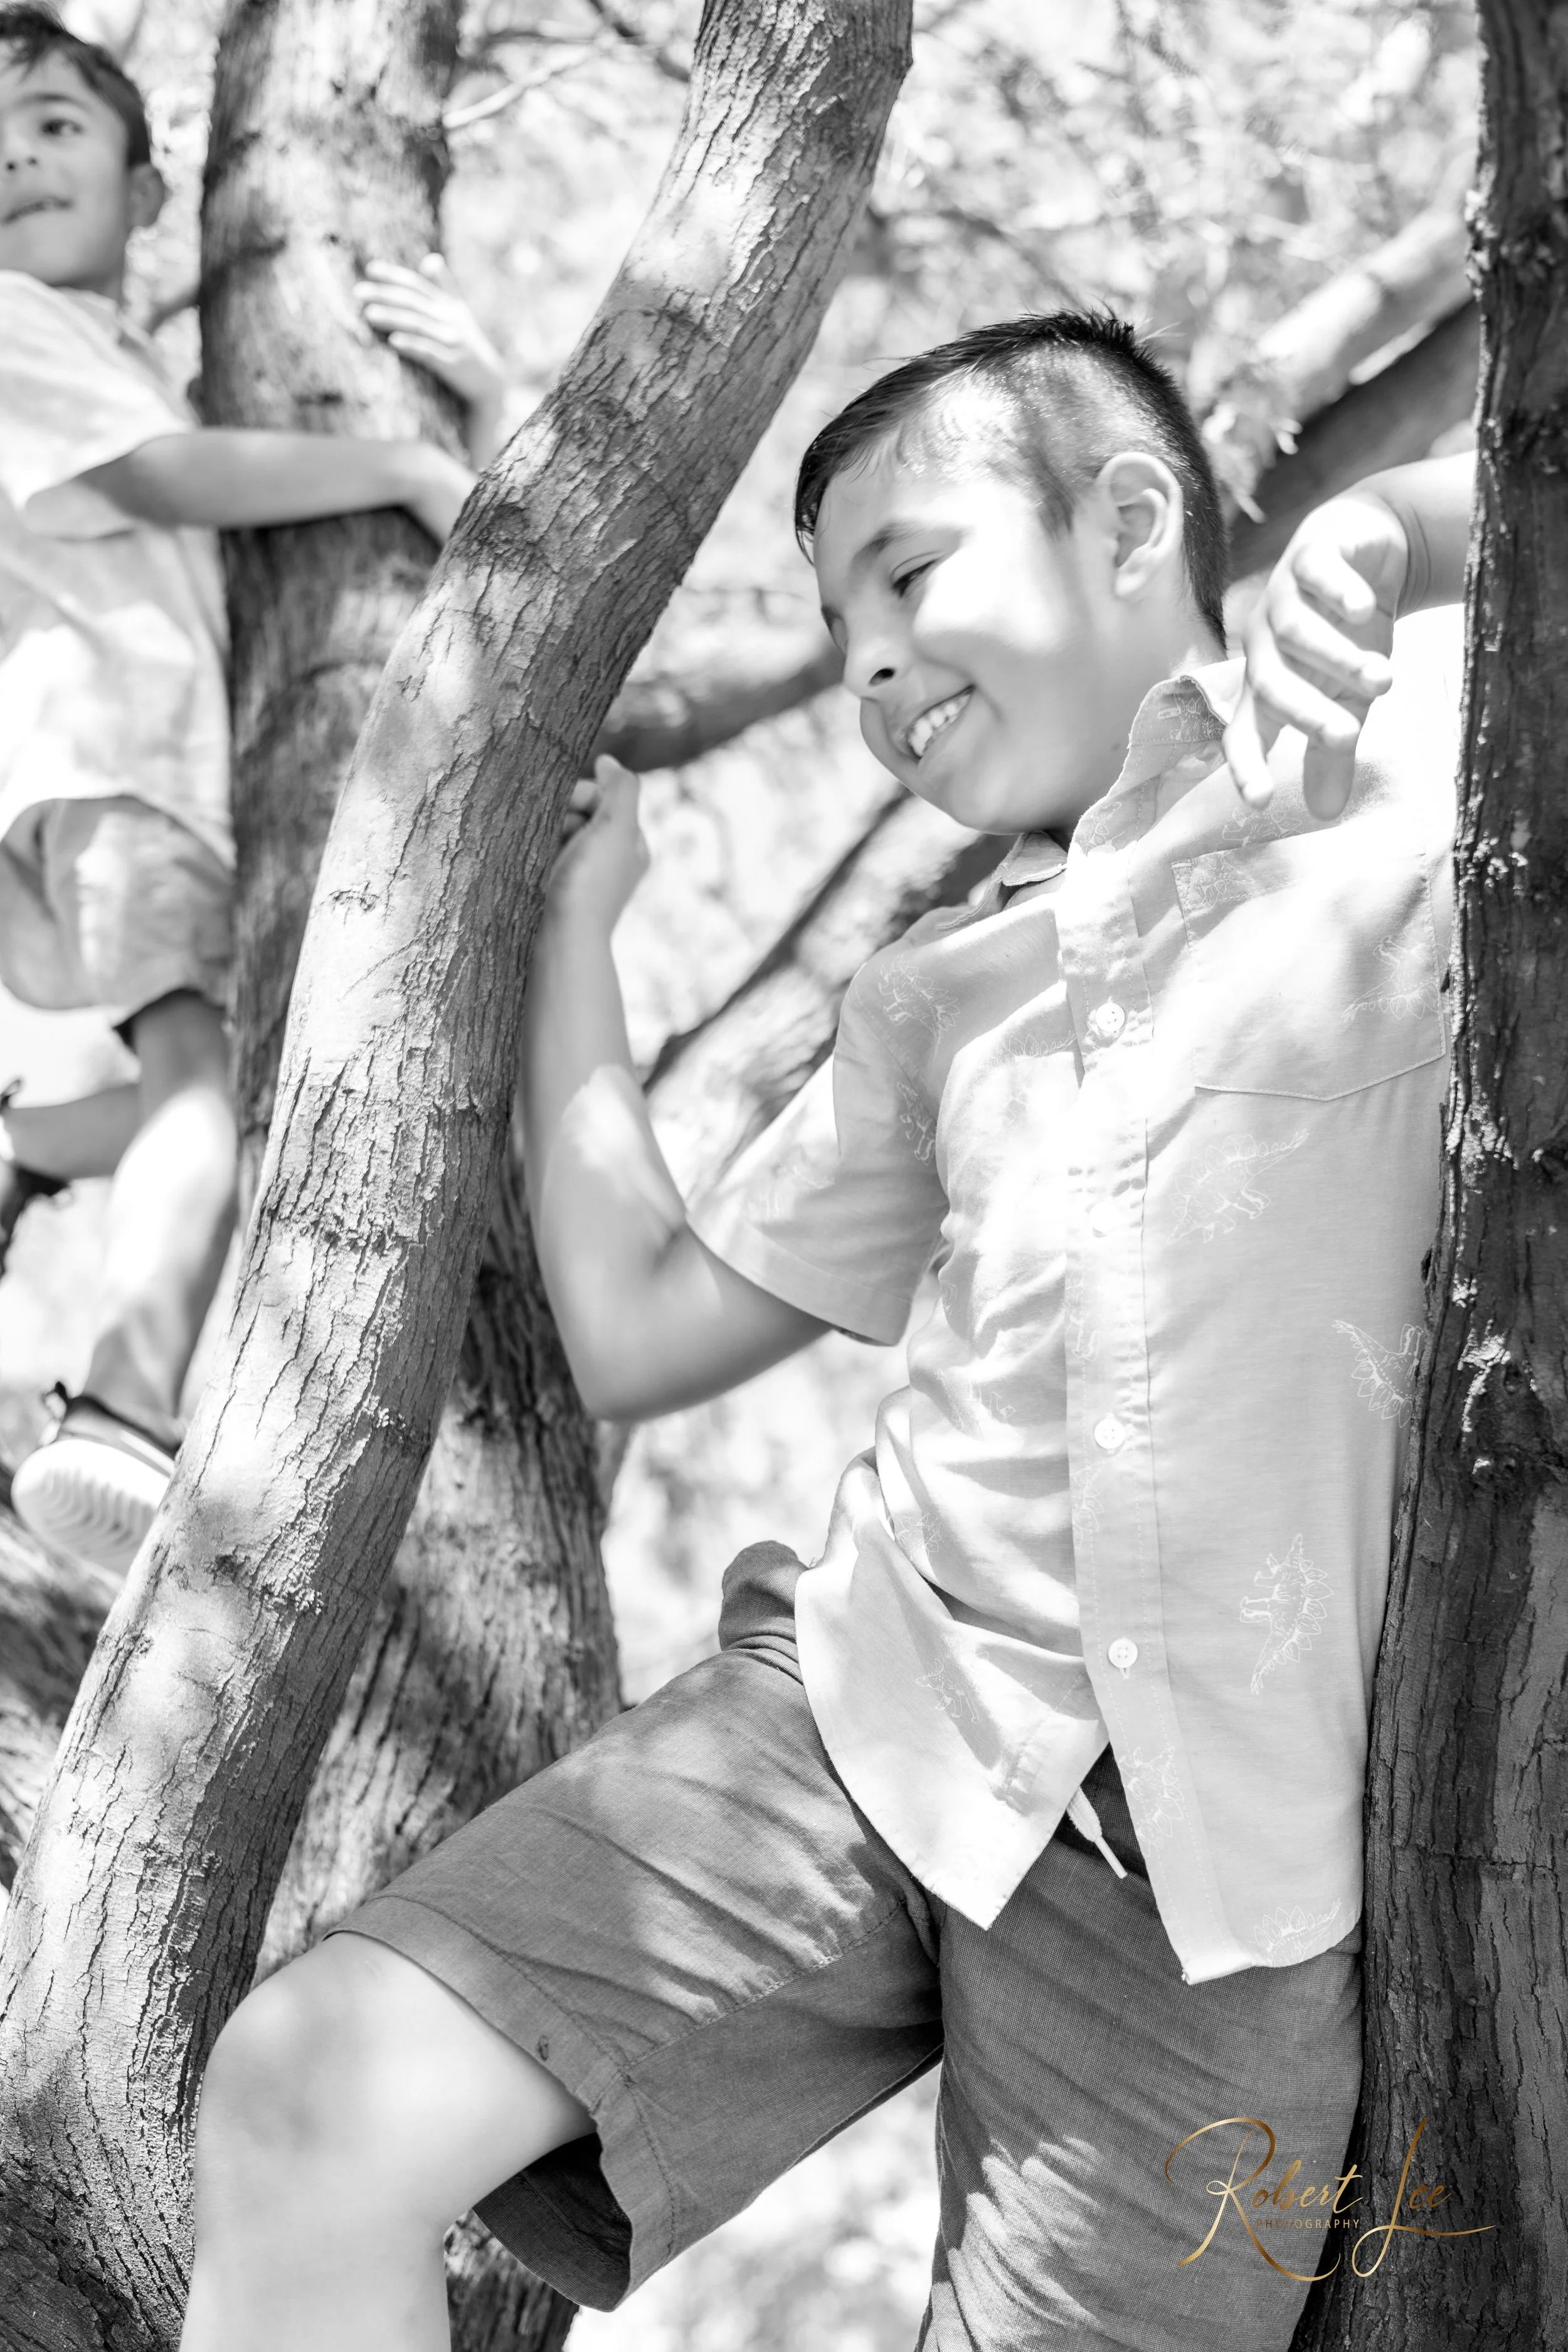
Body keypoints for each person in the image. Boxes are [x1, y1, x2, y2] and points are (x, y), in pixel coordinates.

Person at [177, 314, 1474, 2352]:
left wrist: (1391, 532)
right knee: (305, 2102)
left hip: (1218, 1878)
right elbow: (638, 1322)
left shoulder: (1417, 796)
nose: (867, 662)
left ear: (1136, 521)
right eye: (829, 616)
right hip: (878, 1704)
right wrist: (580, 939)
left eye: (911, 570)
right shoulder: (943, 981)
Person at [0, 5, 488, 1571]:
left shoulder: (110, 350)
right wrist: (409, 467)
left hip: (95, 780)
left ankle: (19, 1158)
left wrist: (476, 408)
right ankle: (127, 1409)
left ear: (154, 194)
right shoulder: (13, 324)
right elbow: (162, 477)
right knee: (204, 1074)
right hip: (102, 764)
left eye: (57, 124)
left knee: (196, 1094)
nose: (15, 155)